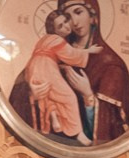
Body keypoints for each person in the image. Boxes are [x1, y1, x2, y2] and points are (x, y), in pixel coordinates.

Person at [23, 6, 97, 140]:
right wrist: (88, 51)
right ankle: (77, 133)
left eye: (65, 22)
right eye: (60, 26)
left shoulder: (45, 40)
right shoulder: (57, 39)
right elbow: (72, 55)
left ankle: (55, 119)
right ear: (54, 30)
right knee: (69, 97)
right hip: (47, 68)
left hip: (33, 68)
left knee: (52, 96)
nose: (67, 27)